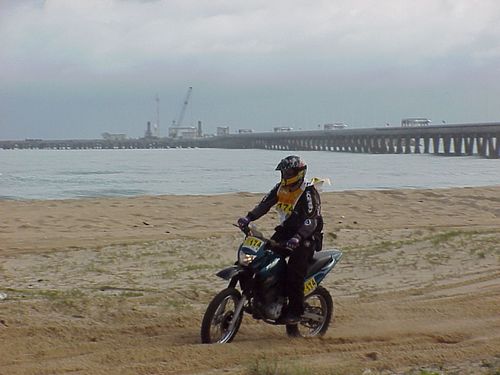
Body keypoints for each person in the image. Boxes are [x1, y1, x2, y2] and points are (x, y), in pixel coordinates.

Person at [237, 155, 323, 324]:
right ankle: (262, 296)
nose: (285, 174)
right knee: (261, 258)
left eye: (288, 171)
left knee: (294, 272)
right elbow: (264, 204)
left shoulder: (308, 192)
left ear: (299, 173)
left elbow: (310, 221)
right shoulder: (280, 188)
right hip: (285, 232)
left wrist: (298, 237)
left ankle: (296, 311)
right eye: (283, 171)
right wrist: (248, 218)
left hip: (306, 236)